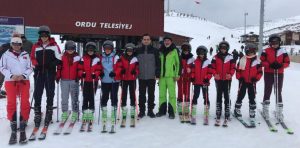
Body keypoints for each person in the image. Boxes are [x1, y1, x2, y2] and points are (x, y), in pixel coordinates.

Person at [0, 34, 33, 144]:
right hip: (11, 82)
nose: (16, 46)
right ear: (11, 44)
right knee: (11, 102)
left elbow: (30, 67)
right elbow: (2, 67)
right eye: (14, 44)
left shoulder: (25, 54)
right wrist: (11, 76)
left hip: (24, 81)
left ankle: (23, 120)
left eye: (18, 44)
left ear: (21, 44)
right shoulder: (6, 55)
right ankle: (13, 122)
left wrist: (23, 75)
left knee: (24, 101)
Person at [30, 25, 61, 128]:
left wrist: (52, 64)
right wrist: (36, 64)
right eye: (41, 35)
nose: (43, 37)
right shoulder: (36, 46)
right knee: (37, 93)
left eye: (45, 35)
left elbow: (59, 59)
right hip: (39, 73)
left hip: (50, 73)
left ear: (48, 35)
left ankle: (49, 111)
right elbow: (32, 58)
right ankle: (37, 113)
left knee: (50, 92)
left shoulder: (54, 46)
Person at [260, 34, 290, 121]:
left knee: (278, 91)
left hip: (279, 73)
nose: (274, 44)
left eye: (276, 42)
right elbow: (261, 61)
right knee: (268, 90)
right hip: (269, 73)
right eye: (272, 43)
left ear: (279, 43)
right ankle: (265, 109)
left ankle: (279, 111)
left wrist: (281, 65)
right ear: (270, 43)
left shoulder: (283, 51)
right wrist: (269, 65)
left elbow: (287, 63)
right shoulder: (266, 51)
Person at [234, 43, 262, 124]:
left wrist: (256, 78)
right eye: (249, 52)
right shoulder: (242, 59)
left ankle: (252, 111)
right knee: (240, 95)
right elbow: (238, 70)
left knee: (252, 96)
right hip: (243, 81)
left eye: (253, 52)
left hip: (252, 82)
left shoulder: (257, 61)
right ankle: (237, 109)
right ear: (246, 52)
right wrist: (239, 77)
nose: (251, 53)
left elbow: (260, 72)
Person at [135, 34, 160, 118]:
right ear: (142, 40)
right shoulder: (137, 51)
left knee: (151, 94)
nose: (146, 41)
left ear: (150, 41)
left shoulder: (155, 51)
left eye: (147, 39)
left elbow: (158, 63)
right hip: (141, 76)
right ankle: (142, 111)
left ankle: (150, 110)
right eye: (144, 39)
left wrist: (157, 74)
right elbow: (134, 63)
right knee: (141, 94)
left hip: (151, 76)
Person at [211, 41, 236, 126]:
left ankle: (227, 110)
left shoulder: (230, 57)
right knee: (219, 94)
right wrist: (215, 74)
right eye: (222, 48)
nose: (223, 50)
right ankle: (218, 110)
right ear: (219, 48)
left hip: (227, 79)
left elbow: (233, 67)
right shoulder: (215, 57)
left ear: (227, 49)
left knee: (226, 94)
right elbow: (212, 67)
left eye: (225, 48)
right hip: (218, 79)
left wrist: (230, 74)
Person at [56, 40, 81, 123]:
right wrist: (58, 76)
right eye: (68, 49)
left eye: (72, 49)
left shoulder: (77, 57)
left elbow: (80, 68)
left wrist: (79, 76)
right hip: (64, 80)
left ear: (74, 49)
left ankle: (75, 112)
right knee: (64, 97)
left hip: (74, 80)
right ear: (66, 49)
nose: (70, 50)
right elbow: (59, 68)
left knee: (74, 97)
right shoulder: (62, 57)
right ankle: (65, 112)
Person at [78, 42, 101, 128]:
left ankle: (91, 112)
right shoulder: (83, 58)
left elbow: (99, 69)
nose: (90, 52)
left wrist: (96, 74)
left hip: (93, 81)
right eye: (89, 50)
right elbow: (79, 68)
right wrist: (81, 73)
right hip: (85, 81)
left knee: (91, 97)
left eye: (92, 50)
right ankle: (84, 112)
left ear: (94, 51)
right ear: (86, 50)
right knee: (85, 96)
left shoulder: (97, 59)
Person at [156, 36, 180, 119]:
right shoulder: (160, 51)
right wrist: (157, 74)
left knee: (172, 95)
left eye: (168, 41)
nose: (166, 42)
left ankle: (171, 112)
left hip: (171, 76)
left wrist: (177, 74)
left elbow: (178, 63)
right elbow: (158, 64)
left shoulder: (174, 50)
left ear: (171, 41)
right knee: (162, 94)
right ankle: (162, 111)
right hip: (162, 77)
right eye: (165, 41)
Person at [99, 40, 121, 132]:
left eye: (109, 49)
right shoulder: (101, 57)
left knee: (113, 96)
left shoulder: (115, 57)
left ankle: (113, 112)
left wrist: (115, 73)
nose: (107, 50)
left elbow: (119, 67)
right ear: (103, 49)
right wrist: (100, 73)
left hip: (113, 80)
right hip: (105, 80)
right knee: (104, 97)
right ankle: (104, 112)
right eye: (106, 49)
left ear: (112, 49)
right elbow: (99, 67)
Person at [190, 46, 213, 125]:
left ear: (205, 54)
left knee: (205, 96)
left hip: (204, 82)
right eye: (200, 54)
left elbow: (210, 72)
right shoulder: (195, 62)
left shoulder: (208, 62)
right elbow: (192, 71)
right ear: (197, 53)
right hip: (196, 82)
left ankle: (206, 112)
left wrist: (207, 78)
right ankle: (193, 112)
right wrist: (192, 77)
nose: (201, 55)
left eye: (203, 54)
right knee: (195, 96)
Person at [119, 43, 139, 127]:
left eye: (131, 51)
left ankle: (132, 108)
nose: (129, 52)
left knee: (132, 94)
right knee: (123, 95)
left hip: (132, 79)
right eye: (128, 51)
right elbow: (119, 66)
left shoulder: (135, 58)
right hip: (124, 79)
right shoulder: (122, 57)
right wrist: (121, 71)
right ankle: (123, 108)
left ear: (133, 51)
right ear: (126, 50)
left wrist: (135, 72)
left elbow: (137, 68)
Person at [177, 42, 194, 123]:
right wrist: (179, 71)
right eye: (184, 49)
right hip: (180, 78)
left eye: (187, 50)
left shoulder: (192, 59)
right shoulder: (179, 58)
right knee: (180, 91)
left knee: (186, 92)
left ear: (189, 50)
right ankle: (180, 107)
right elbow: (176, 66)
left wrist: (191, 70)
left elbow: (194, 68)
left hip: (188, 78)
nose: (186, 51)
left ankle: (186, 109)